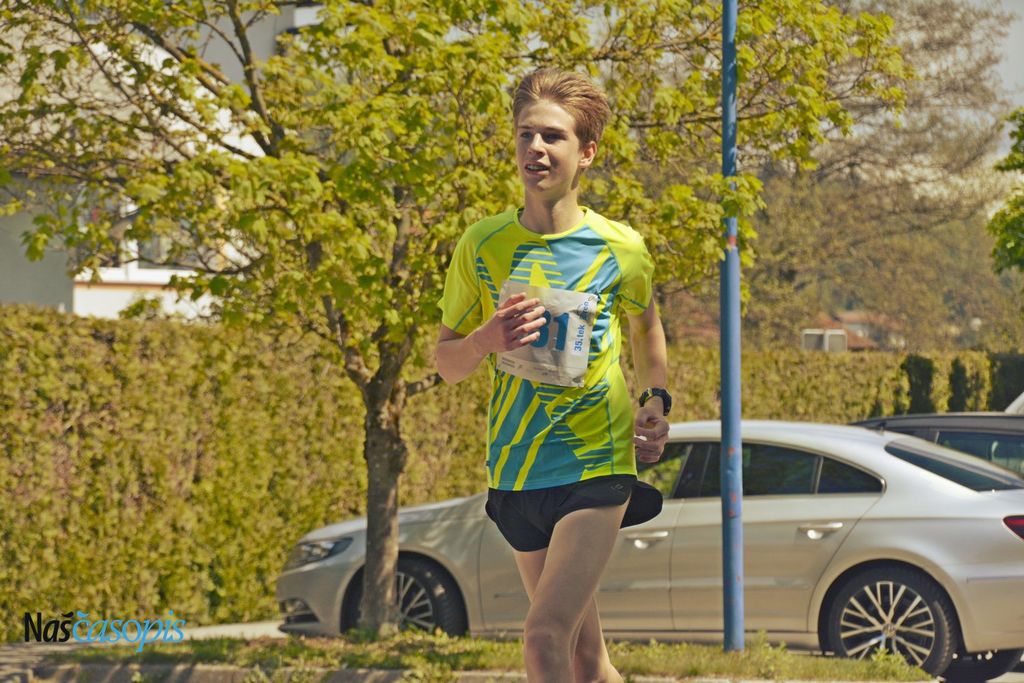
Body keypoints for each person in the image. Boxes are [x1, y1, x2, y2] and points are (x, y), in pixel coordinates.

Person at [435, 68, 672, 683]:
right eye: (526, 134)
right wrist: (486, 340)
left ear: (586, 152)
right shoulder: (482, 244)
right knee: (587, 662)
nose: (535, 148)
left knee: (544, 639)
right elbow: (446, 362)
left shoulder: (620, 248)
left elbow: (648, 332)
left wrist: (655, 401)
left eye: (553, 136)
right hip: (516, 468)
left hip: (596, 461)